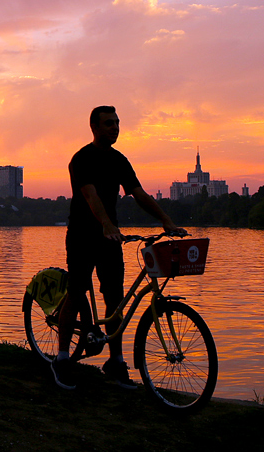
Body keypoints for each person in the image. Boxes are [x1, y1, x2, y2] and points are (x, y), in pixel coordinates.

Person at [51, 105, 182, 390]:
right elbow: (90, 195)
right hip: (83, 236)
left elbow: (138, 194)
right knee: (76, 291)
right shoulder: (82, 159)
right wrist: (107, 224)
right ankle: (61, 359)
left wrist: (166, 220)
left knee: (115, 299)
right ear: (94, 127)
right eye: (109, 123)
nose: (115, 127)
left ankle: (116, 363)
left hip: (110, 239)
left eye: (117, 123)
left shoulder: (120, 160)